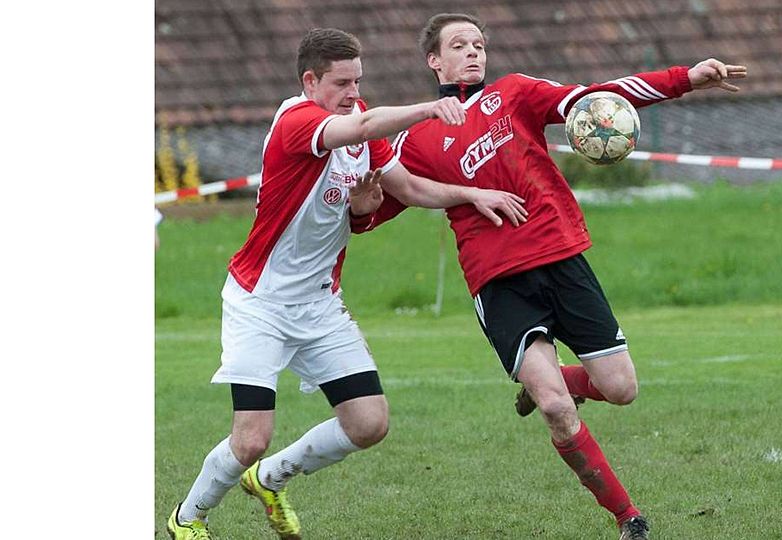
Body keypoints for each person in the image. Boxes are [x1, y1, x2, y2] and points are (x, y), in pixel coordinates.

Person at [355, 13, 747, 540]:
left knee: (621, 389)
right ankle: (629, 518)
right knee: (559, 410)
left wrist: (684, 79)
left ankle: (551, 380)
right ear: (434, 61)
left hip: (561, 259)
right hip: (498, 281)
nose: (473, 53)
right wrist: (360, 210)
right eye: (459, 45)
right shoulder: (416, 139)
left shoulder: (515, 94)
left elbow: (595, 99)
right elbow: (378, 209)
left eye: (479, 44)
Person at [165, 27, 527, 540]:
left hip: (320, 306)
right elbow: (362, 126)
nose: (353, 93)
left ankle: (269, 479)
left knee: (368, 423)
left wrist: (470, 194)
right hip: (260, 303)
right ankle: (187, 518)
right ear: (310, 82)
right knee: (250, 439)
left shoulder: (359, 127)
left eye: (358, 81)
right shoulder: (297, 121)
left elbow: (409, 187)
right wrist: (429, 109)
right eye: (341, 83)